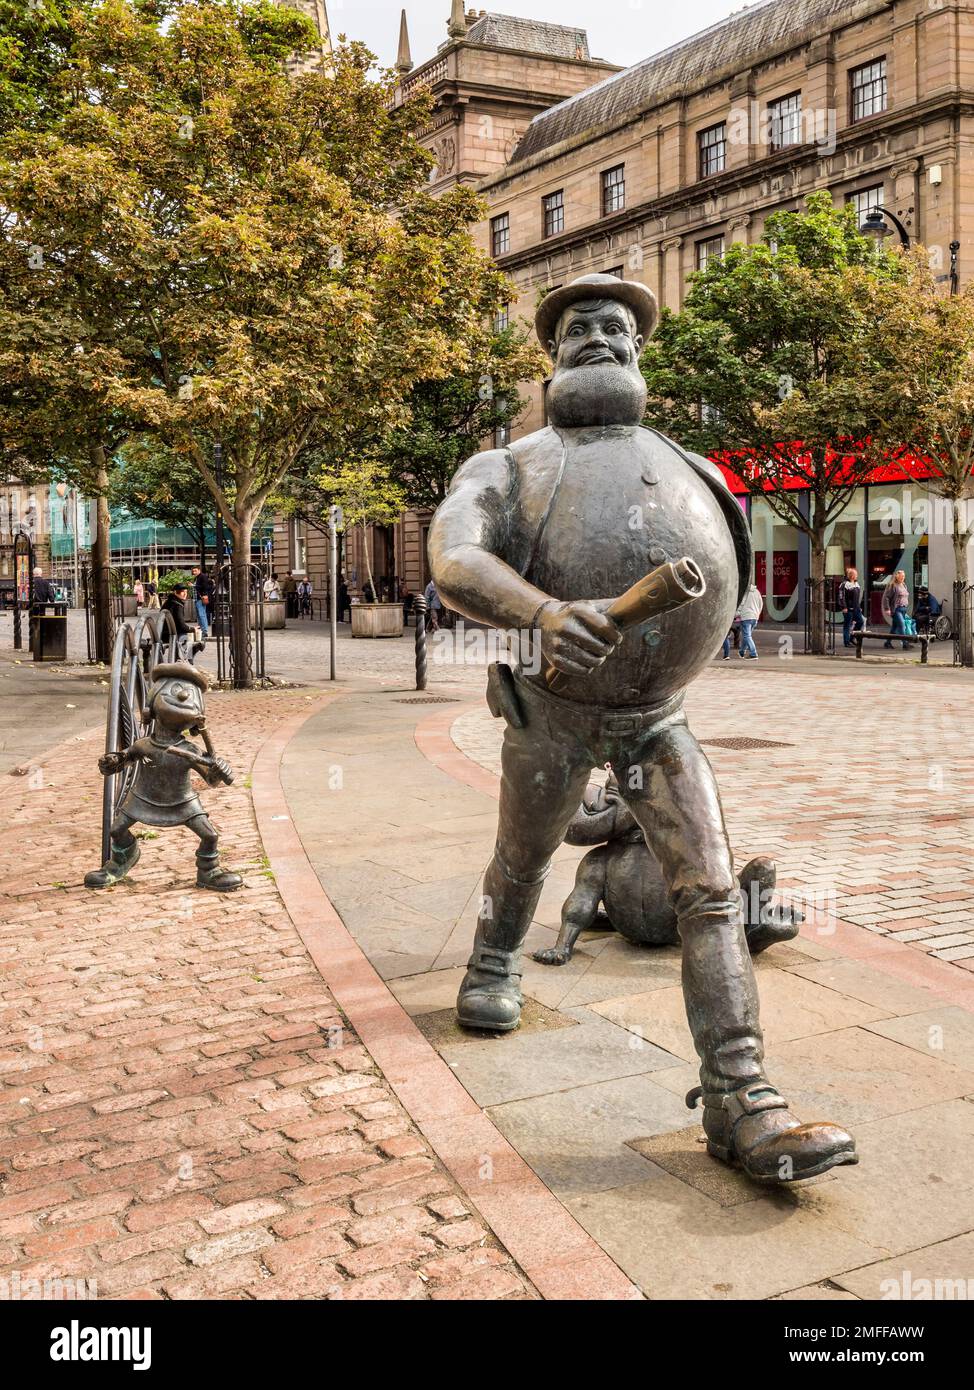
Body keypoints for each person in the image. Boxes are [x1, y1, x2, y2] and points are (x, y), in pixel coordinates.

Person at [428, 271, 856, 1184]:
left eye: (617, 328)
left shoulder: (690, 464)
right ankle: (494, 959)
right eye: (579, 327)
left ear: (639, 351)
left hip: (661, 720)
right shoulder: (506, 466)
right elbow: (455, 558)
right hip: (552, 712)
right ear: (551, 355)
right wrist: (541, 611)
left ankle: (743, 1102)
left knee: (708, 888)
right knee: (525, 854)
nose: (600, 339)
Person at [162, 582, 195, 658]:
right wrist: (191, 629)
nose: (185, 594)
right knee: (191, 638)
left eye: (186, 592)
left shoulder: (170, 601)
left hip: (165, 633)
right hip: (170, 634)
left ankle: (180, 659)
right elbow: (181, 625)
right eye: (182, 592)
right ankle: (186, 661)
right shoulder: (177, 604)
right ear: (175, 592)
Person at [882, 569, 910, 650]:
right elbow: (886, 598)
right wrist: (887, 609)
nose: (902, 578)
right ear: (897, 577)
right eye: (901, 576)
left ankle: (887, 643)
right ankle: (905, 643)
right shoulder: (893, 585)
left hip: (903, 609)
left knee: (894, 628)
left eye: (903, 576)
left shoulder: (904, 585)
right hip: (896, 609)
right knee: (902, 625)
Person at [838, 566, 865, 648]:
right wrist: (844, 607)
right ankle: (846, 642)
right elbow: (841, 596)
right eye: (855, 574)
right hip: (848, 608)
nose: (857, 575)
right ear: (851, 575)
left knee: (860, 621)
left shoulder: (856, 584)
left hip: (856, 608)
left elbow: (856, 598)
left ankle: (852, 638)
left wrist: (858, 606)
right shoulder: (844, 584)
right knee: (847, 625)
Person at [737, 581, 762, 659]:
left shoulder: (744, 593)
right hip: (754, 617)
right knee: (747, 636)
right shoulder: (757, 592)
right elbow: (761, 603)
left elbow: (741, 604)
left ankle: (753, 653)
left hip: (746, 616)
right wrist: (757, 614)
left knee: (747, 636)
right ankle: (742, 652)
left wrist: (736, 614)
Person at [193, 565, 215, 638]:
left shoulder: (202, 576)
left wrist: (193, 585)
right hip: (197, 598)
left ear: (199, 570)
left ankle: (204, 631)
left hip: (200, 598)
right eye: (193, 571)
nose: (194, 572)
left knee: (201, 614)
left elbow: (204, 587)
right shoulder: (197, 577)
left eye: (195, 570)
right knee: (200, 615)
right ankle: (202, 630)